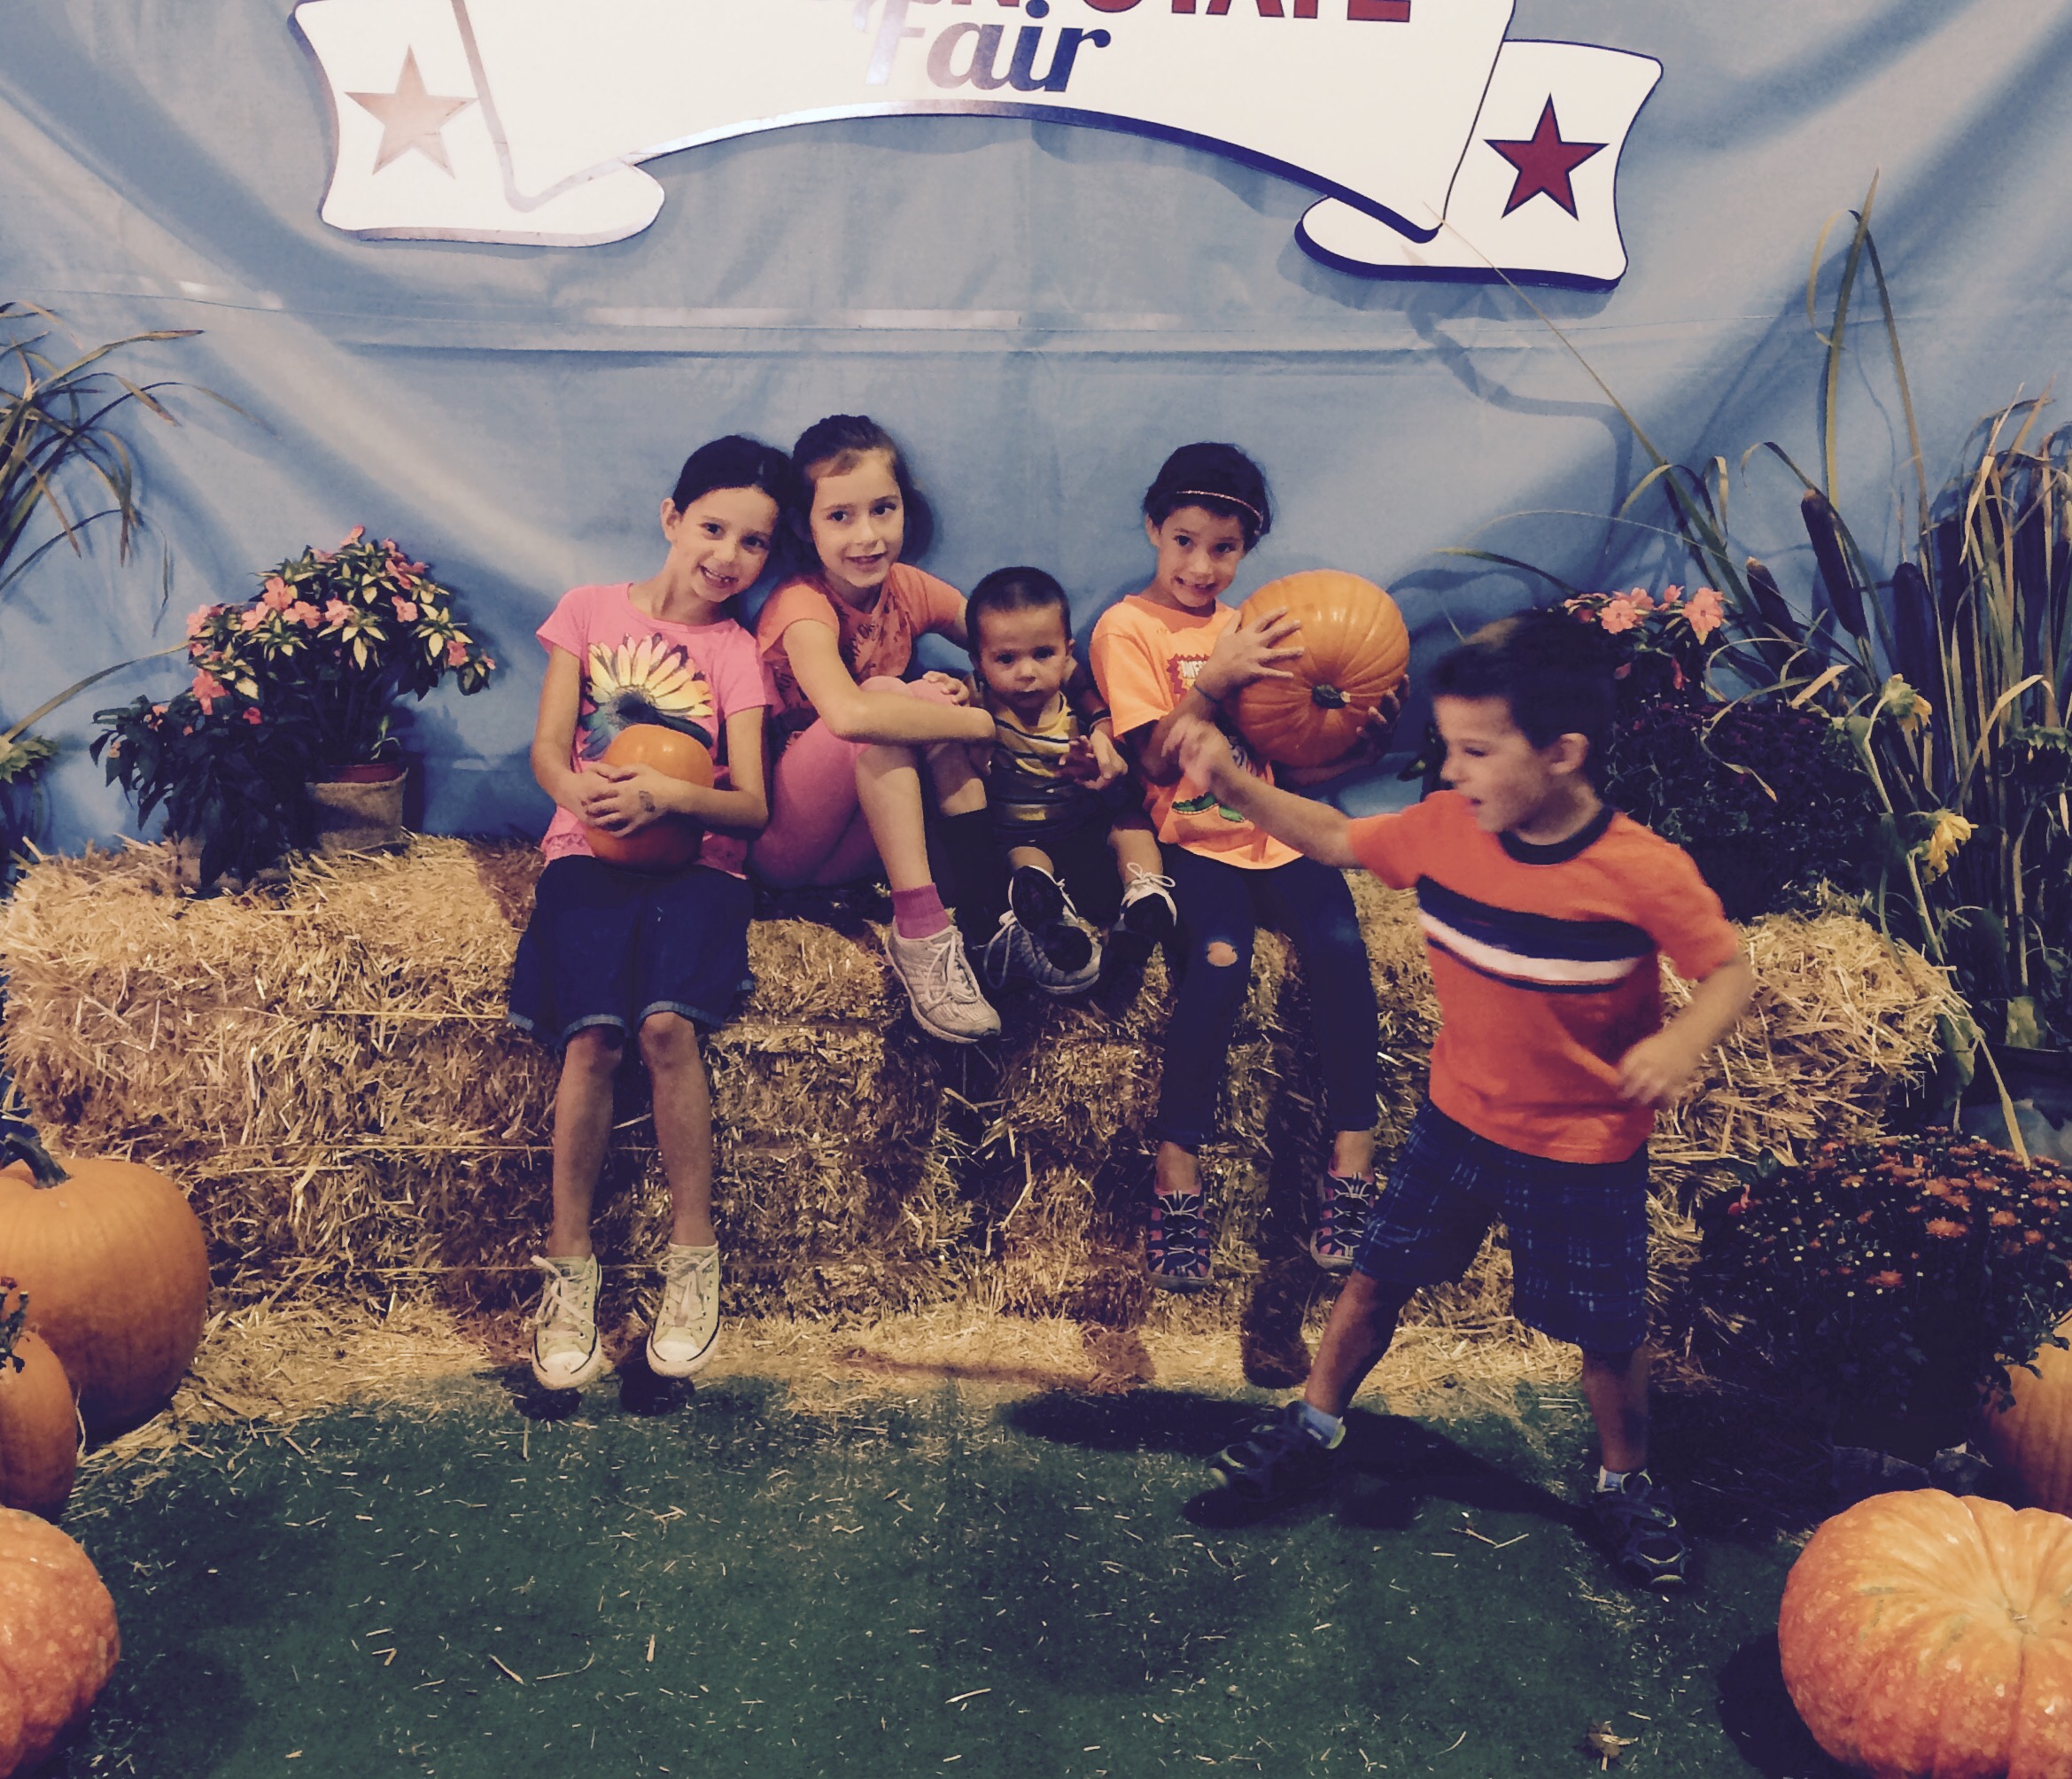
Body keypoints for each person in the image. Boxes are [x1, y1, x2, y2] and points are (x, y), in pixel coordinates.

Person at [1180, 609, 1756, 1589]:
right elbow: (1333, 836)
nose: (1451, 771)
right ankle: (1313, 1425)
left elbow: (1729, 971)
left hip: (1583, 1148)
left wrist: (1680, 1039)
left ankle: (1624, 1483)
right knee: (1374, 1277)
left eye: (1476, 752)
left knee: (1607, 1334)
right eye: (1448, 747)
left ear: (1561, 753)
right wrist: (1234, 786)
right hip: (1456, 1123)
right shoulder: (1444, 830)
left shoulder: (1642, 872)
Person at [508, 434, 787, 1393]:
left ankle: (693, 1259)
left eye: (754, 542)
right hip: (586, 855)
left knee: (668, 1026)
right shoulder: (587, 611)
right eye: (713, 528)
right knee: (592, 1038)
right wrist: (579, 796)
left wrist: (672, 799)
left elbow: (751, 805)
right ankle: (568, 1266)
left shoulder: (737, 652)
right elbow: (547, 750)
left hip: (699, 865)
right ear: (671, 518)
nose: (728, 555)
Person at [1089, 443, 1393, 1289]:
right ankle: (1176, 1173)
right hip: (1192, 841)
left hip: (1277, 833)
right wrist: (1212, 681)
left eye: (1222, 549)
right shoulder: (1126, 628)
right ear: (1153, 529)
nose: (1200, 566)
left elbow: (1288, 767)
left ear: (1246, 549)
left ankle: (1352, 1163)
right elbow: (1154, 763)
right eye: (1183, 542)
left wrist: (1359, 746)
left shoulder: (1257, 625)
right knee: (1220, 962)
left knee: (1341, 949)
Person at [750, 415, 1002, 1043]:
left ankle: (991, 914)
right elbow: (850, 716)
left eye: (882, 510)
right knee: (889, 698)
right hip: (786, 847)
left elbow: (1013, 641)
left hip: (860, 849)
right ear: (804, 527)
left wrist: (977, 690)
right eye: (840, 516)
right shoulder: (801, 605)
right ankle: (920, 931)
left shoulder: (907, 588)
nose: (866, 536)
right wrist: (979, 721)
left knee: (926, 696)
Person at [960, 565, 1177, 993]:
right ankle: (1051, 919)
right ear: (979, 662)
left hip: (1082, 832)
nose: (1026, 672)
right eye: (1006, 659)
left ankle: (1144, 895)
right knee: (1024, 860)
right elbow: (950, 707)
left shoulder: (1082, 717)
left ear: (1067, 653)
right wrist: (947, 691)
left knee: (1131, 825)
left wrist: (1098, 767)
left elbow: (1115, 781)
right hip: (1021, 836)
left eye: (1043, 654)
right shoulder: (978, 702)